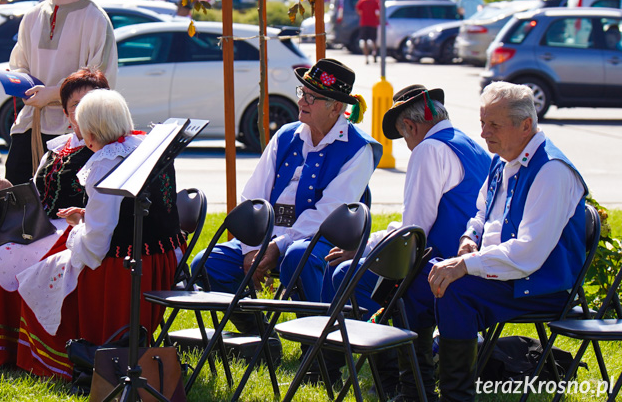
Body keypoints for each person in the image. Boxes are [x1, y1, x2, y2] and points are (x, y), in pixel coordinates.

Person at [403, 81, 588, 402]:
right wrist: (468, 239)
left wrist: (467, 265)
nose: (484, 132)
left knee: (456, 291)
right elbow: (480, 213)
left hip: (544, 285)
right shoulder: (504, 159)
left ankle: (455, 395)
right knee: (419, 276)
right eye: (482, 123)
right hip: (507, 273)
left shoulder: (552, 170)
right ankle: (413, 386)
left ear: (526, 125)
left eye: (494, 124)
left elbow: (529, 252)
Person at [323, 84, 491, 401]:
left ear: (411, 126)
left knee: (347, 275)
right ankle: (405, 376)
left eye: (405, 138)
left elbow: (414, 231)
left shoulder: (429, 149)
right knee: (363, 273)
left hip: (441, 267)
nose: (409, 146)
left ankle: (398, 381)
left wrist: (363, 250)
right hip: (469, 264)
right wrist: (370, 245)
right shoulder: (469, 144)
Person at [192, 58, 381, 325]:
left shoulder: (359, 149)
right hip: (267, 238)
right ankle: (259, 338)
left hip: (319, 241)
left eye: (311, 97)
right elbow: (253, 196)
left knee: (297, 256)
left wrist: (278, 247)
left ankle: (319, 348)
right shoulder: (285, 135)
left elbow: (329, 214)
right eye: (302, 93)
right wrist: (251, 247)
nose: (302, 101)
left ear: (336, 107)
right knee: (206, 263)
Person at [0, 68, 110, 368]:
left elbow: (106, 207)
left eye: (90, 103)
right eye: (75, 106)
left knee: (2, 260)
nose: (82, 112)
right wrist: (4, 187)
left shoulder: (106, 149)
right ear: (65, 113)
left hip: (72, 229)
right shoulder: (58, 147)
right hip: (42, 227)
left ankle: (4, 354)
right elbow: (37, 192)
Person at [5, 0, 118, 185]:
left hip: (74, 135)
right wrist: (20, 83)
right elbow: (18, 63)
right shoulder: (32, 16)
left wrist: (52, 94)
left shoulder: (94, 19)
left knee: (57, 215)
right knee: (12, 205)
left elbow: (99, 84)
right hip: (29, 127)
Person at [355, 0, 381, 64]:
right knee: (374, 40)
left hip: (364, 23)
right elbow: (378, 12)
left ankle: (366, 57)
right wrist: (378, 20)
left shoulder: (363, 0)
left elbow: (357, 8)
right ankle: (374, 53)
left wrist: (361, 15)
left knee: (365, 41)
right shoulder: (376, 1)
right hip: (373, 23)